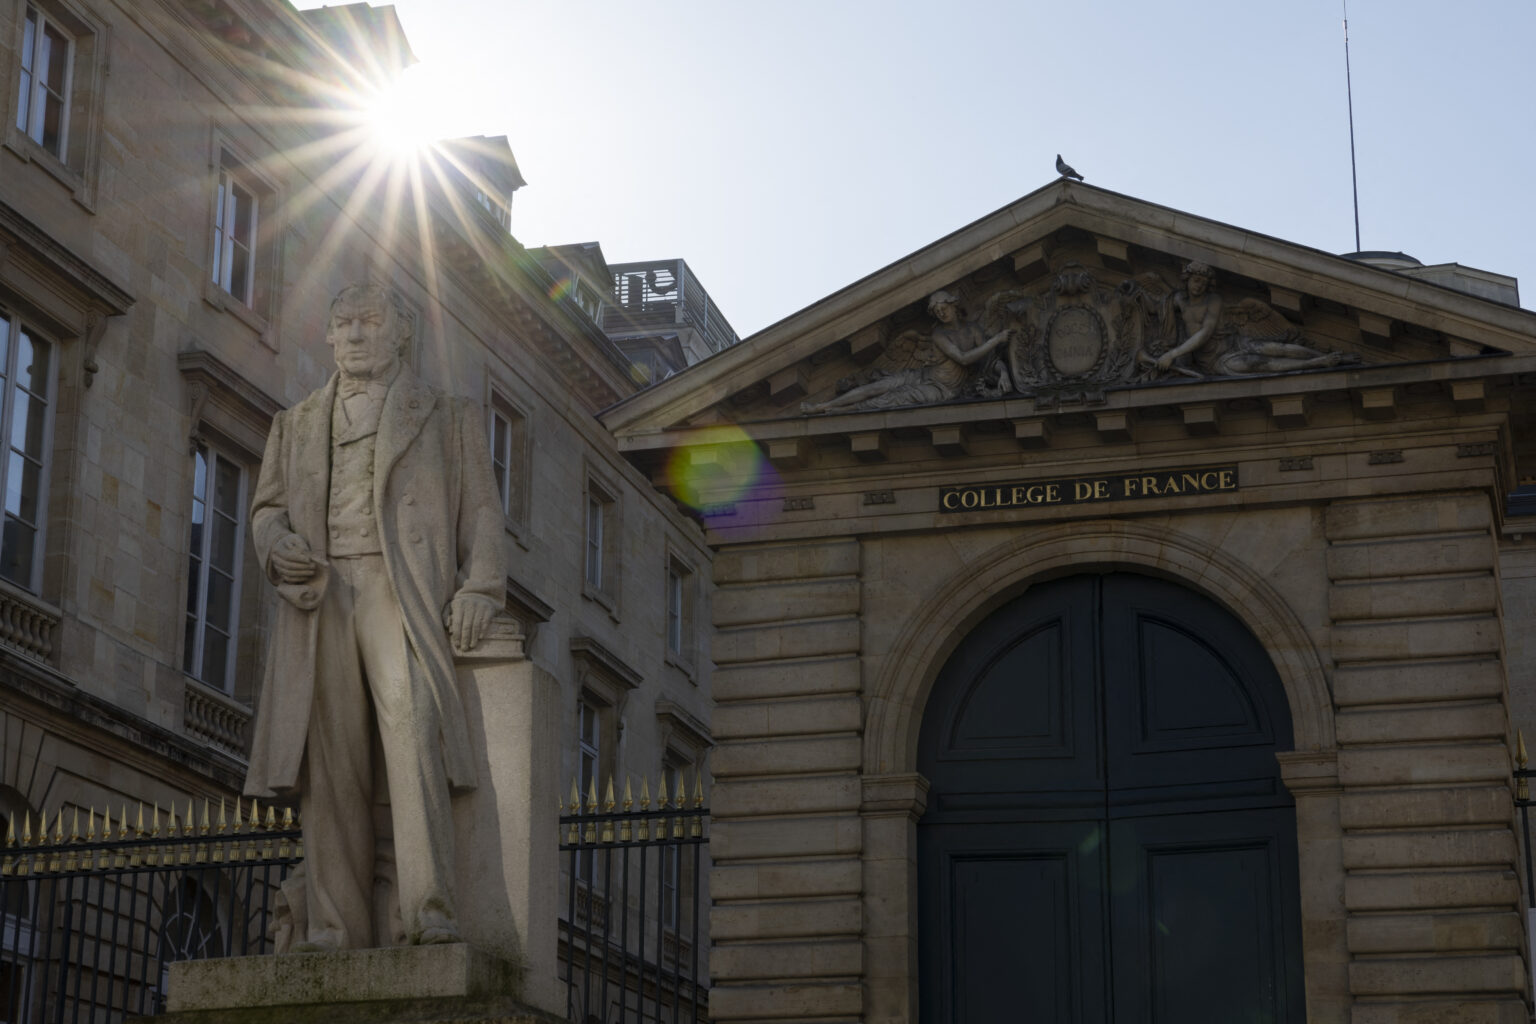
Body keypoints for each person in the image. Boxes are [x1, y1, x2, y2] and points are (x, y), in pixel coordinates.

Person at [244, 282, 505, 951]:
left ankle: (429, 910)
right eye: (344, 323)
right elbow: (266, 510)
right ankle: (335, 928)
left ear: (401, 332)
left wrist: (480, 588)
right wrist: (276, 544)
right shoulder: (296, 422)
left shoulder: (448, 415)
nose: (356, 334)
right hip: (321, 595)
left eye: (370, 321)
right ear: (329, 335)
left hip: (400, 589)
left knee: (414, 735)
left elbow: (482, 511)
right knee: (331, 762)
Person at [802, 291, 1011, 413]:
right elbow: (963, 359)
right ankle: (823, 406)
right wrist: (996, 339)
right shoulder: (939, 334)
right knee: (876, 387)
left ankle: (840, 411)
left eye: (944, 308)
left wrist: (1003, 373)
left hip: (941, 390)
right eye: (937, 312)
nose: (941, 313)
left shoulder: (973, 331)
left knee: (887, 400)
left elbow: (990, 360)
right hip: (920, 376)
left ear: (953, 305)